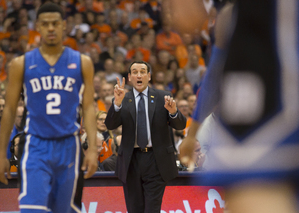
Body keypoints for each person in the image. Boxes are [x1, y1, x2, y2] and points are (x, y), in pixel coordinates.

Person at [179, 1, 299, 213]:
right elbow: (214, 75)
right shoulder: (231, 17)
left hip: (270, 42)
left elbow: (212, 75)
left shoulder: (236, 18)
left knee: (254, 192)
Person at [0, 2, 98, 213]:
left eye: (55, 23)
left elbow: (88, 108)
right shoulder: (21, 64)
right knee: (33, 209)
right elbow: (10, 110)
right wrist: (3, 154)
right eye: (45, 24)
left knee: (65, 210)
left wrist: (94, 149)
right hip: (36, 145)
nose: (51, 28)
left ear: (64, 26)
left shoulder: (82, 62)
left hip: (69, 145)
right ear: (38, 27)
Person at [105, 61, 186, 213]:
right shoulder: (123, 98)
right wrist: (117, 103)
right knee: (134, 209)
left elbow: (180, 125)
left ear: (149, 76)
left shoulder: (163, 97)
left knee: (152, 209)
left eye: (142, 71)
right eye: (135, 72)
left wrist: (174, 112)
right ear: (129, 77)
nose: (139, 75)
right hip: (131, 161)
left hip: (156, 160)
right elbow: (110, 125)